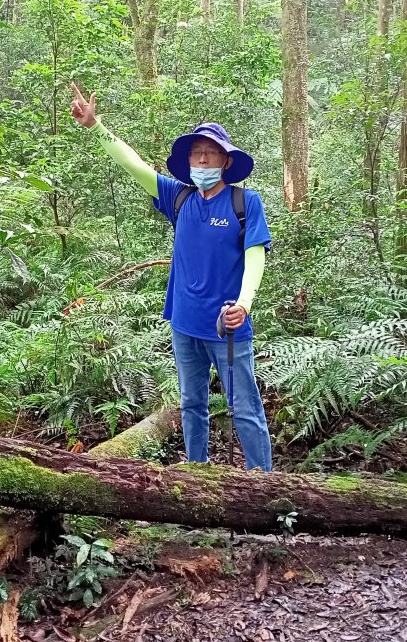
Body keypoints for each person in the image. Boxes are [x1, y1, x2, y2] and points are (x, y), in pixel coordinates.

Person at [70, 84, 273, 471]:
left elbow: (255, 255)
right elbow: (134, 166)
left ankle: (264, 486)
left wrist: (244, 304)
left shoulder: (245, 203)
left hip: (228, 327)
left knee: (244, 407)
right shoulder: (178, 198)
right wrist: (96, 127)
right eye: (197, 153)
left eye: (210, 153)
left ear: (225, 161)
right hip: (184, 323)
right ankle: (196, 476)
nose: (202, 160)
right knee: (191, 404)